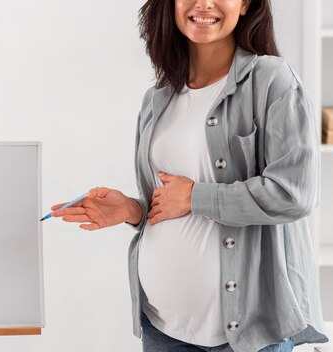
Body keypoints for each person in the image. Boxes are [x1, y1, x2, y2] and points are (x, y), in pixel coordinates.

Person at [49, 0, 330, 351]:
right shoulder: (157, 98)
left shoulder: (272, 80)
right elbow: (169, 200)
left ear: (245, 5)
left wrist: (196, 197)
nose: (203, 3)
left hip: (244, 337)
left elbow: (294, 193)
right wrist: (133, 210)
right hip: (161, 327)